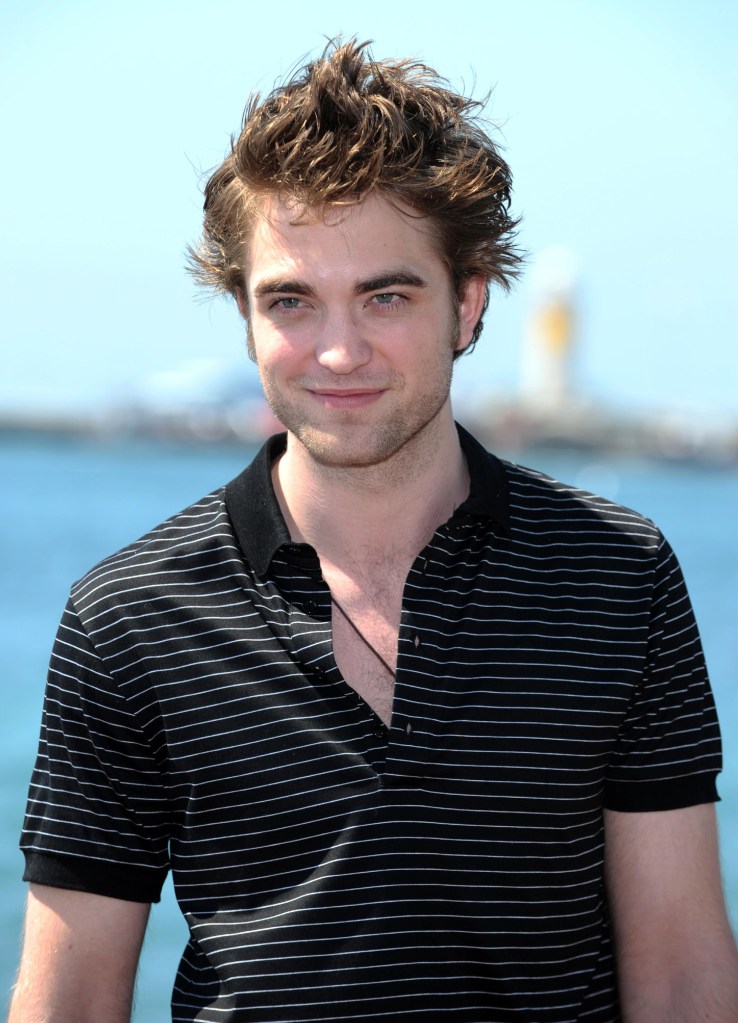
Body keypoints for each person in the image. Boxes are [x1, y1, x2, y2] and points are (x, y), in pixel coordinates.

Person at [8, 39, 738, 1023]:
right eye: (292, 301)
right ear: (244, 315)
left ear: (467, 302)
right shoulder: (128, 617)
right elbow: (69, 1000)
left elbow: (685, 975)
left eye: (385, 295)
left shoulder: (618, 573)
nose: (339, 351)